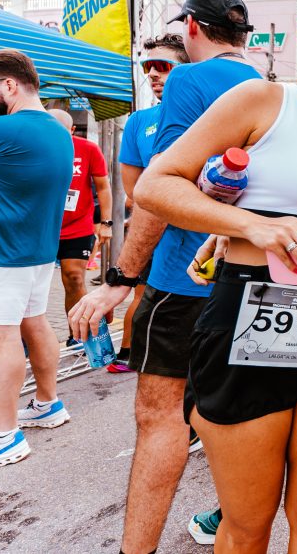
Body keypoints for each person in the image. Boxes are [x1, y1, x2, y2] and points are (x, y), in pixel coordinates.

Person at [135, 0, 297, 554]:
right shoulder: (264, 100)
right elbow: (155, 184)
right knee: (247, 526)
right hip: (249, 315)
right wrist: (248, 226)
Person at [68, 0, 258, 554]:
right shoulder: (271, 90)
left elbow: (159, 190)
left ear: (192, 30)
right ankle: (231, 530)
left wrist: (119, 280)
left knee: (161, 421)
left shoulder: (187, 81)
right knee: (236, 417)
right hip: (245, 277)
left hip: (182, 280)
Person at [0, 49, 74, 473]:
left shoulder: (0, 129)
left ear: (10, 85)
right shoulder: (57, 130)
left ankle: (3, 435)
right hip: (36, 251)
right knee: (33, 323)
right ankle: (47, 403)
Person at [109, 34, 189, 373]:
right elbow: (134, 191)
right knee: (143, 299)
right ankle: (129, 354)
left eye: (163, 66)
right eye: (148, 67)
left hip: (207, 242)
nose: (153, 74)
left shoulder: (215, 112)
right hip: (154, 235)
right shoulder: (139, 121)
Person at [46, 109, 113, 346]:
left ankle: (80, 334)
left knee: (74, 278)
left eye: (61, 133)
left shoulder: (88, 149)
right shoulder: (35, 148)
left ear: (72, 131)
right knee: (33, 283)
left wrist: (106, 223)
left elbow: (103, 187)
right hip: (42, 227)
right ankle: (25, 339)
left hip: (77, 226)